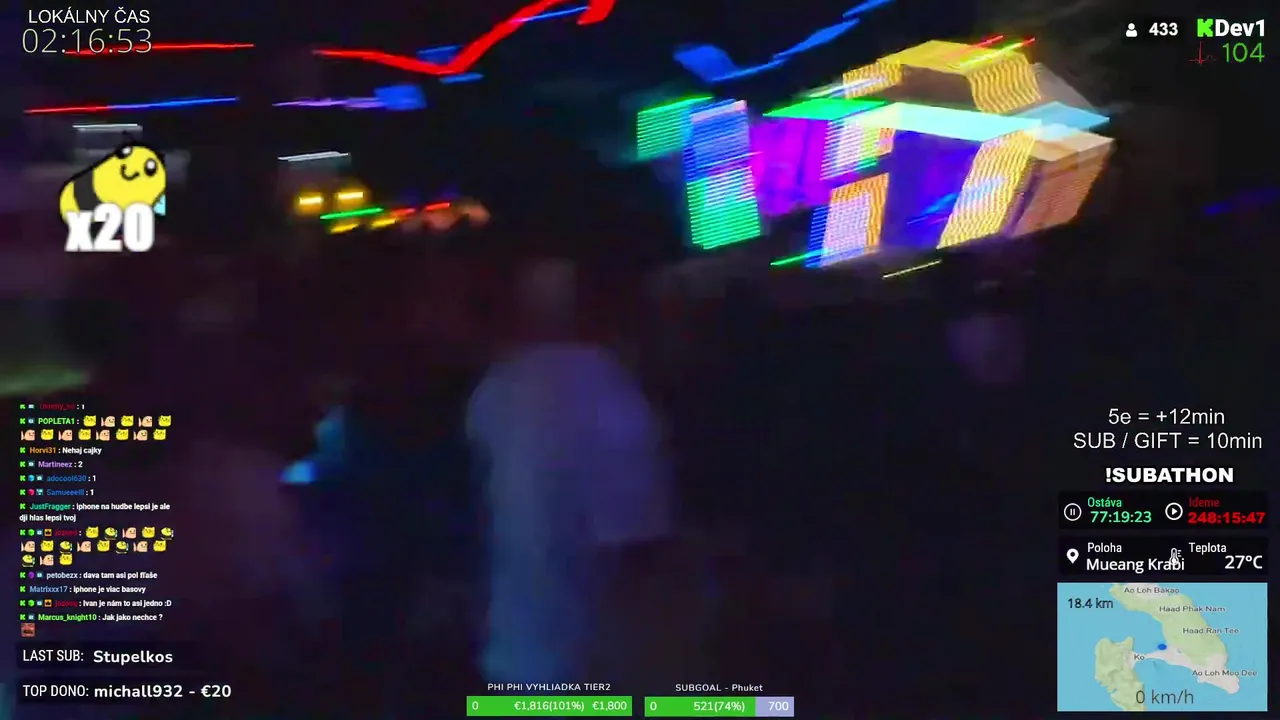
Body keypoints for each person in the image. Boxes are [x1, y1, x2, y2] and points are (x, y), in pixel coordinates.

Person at [466, 255, 691, 688]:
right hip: (585, 669)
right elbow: (635, 548)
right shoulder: (612, 394)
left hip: (511, 657)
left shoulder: (494, 391)